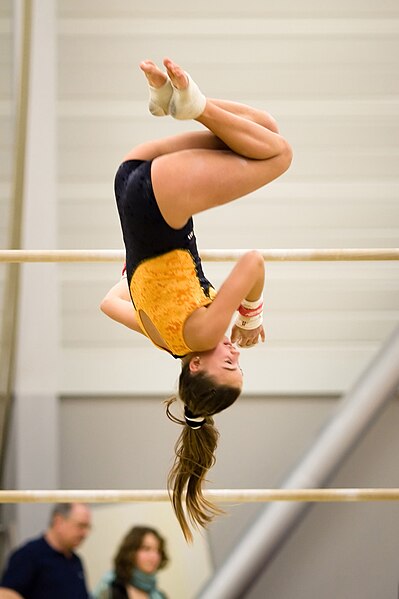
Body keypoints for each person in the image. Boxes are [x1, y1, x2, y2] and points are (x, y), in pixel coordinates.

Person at [100, 57, 293, 540]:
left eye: (228, 365)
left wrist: (249, 318)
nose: (231, 353)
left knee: (280, 155)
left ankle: (193, 104)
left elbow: (253, 261)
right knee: (261, 127)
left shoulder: (204, 331)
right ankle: (175, 102)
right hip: (130, 179)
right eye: (238, 362)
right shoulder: (162, 337)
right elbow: (109, 300)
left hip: (161, 201)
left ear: (195, 367)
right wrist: (136, 268)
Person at [0, 503, 91, 599]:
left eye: (87, 527)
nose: (84, 533)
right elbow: (5, 594)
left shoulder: (75, 561)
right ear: (58, 522)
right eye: (80, 526)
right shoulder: (28, 555)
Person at [93, 525, 168, 599]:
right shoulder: (109, 588)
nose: (154, 556)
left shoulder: (160, 595)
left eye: (158, 550)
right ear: (131, 551)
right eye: (146, 549)